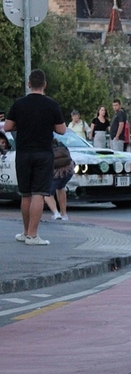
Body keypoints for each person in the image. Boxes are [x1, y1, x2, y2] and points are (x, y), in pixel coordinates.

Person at [3, 69, 66, 246]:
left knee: (25, 194)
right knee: (39, 193)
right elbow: (61, 130)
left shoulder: (19, 104)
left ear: (29, 84)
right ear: (44, 85)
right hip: (44, 153)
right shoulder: (51, 105)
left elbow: (7, 127)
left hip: (23, 153)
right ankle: (33, 235)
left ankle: (25, 232)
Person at [44, 139, 75, 221]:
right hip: (68, 170)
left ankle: (56, 213)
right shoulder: (60, 143)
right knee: (61, 188)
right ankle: (64, 214)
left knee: (47, 193)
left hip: (55, 172)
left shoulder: (44, 145)